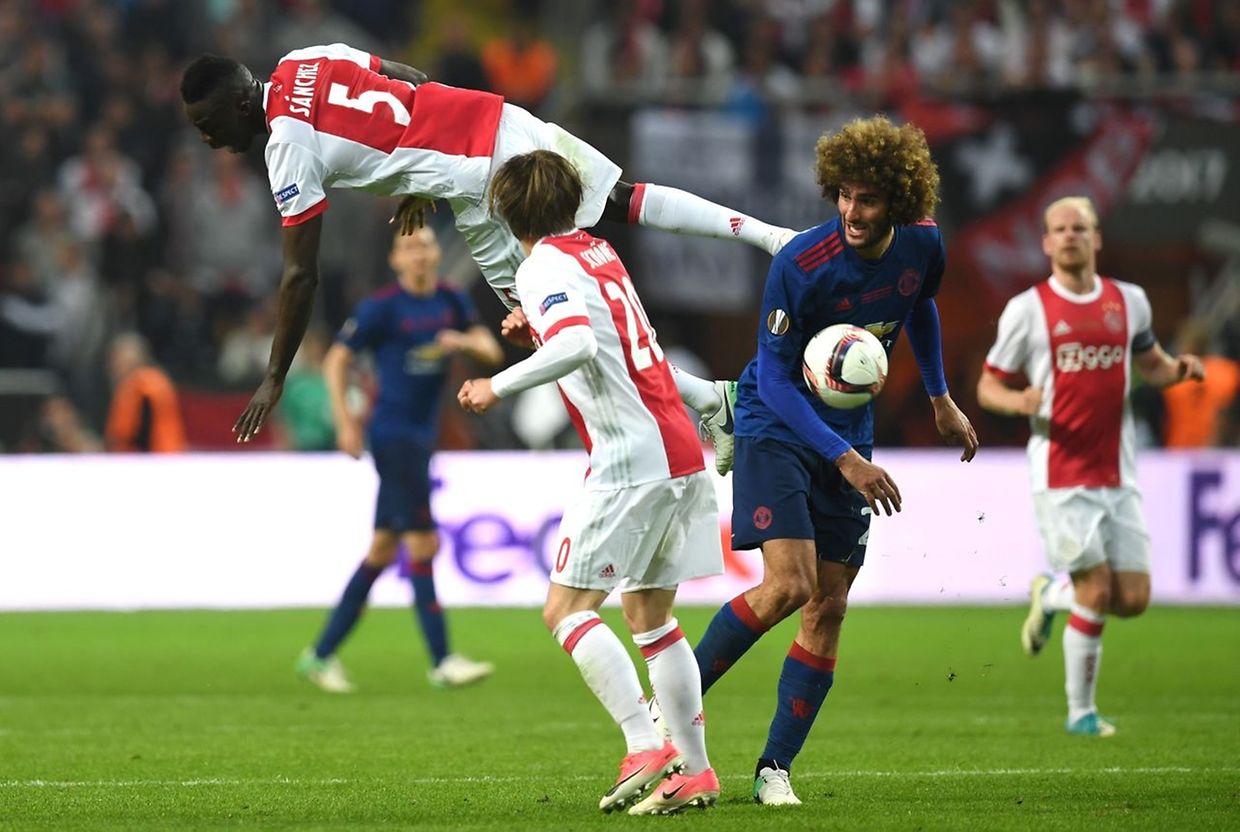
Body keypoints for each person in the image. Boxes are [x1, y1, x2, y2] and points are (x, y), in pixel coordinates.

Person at [178, 44, 789, 454]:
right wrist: (410, 174)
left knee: (555, 322)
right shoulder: (302, 58)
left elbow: (300, 277)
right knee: (621, 198)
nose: (209, 140)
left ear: (239, 105)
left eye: (209, 125)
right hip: (492, 118)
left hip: (479, 184)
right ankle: (771, 238)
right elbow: (408, 81)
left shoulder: (284, 146)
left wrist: (274, 377)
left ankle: (705, 403)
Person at [684, 115, 979, 806]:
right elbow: (780, 380)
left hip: (849, 431)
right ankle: (666, 712)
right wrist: (846, 460)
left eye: (867, 200)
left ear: (898, 203)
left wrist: (939, 396)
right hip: (775, 424)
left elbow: (921, 304)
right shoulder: (803, 264)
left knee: (830, 605)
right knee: (789, 585)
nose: (850, 210)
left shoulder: (923, 244)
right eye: (843, 195)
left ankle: (773, 769)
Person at [457, 150, 723, 816]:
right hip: (676, 447)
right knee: (651, 618)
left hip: (631, 458)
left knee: (567, 611)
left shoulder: (541, 264)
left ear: (505, 213)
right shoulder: (597, 251)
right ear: (573, 203)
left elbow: (576, 345)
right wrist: (539, 335)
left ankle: (645, 745)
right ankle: (694, 771)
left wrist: (498, 383)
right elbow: (600, 339)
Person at [977, 196, 1205, 737]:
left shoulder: (1130, 302)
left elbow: (1150, 364)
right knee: (1097, 587)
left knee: (1134, 598)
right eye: (1060, 228)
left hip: (1119, 471)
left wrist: (1179, 370)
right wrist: (1018, 402)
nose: (1071, 235)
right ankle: (1081, 714)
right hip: (1060, 474)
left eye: (1081, 227)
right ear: (1047, 243)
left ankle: (1051, 595)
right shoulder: (1027, 310)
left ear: (1097, 237)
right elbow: (989, 385)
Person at [295, 225, 502, 692]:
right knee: (423, 546)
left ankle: (319, 654)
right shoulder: (382, 308)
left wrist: (462, 342)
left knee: (382, 551)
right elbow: (335, 360)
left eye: (426, 246)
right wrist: (346, 421)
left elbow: (490, 349)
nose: (420, 254)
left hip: (422, 438)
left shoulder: (450, 300)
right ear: (396, 259)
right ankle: (442, 659)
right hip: (392, 435)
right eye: (410, 247)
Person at [105, 332, 189, 453]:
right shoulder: (155, 379)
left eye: (116, 359)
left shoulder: (142, 385)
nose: (112, 366)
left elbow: (125, 433)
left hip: (152, 460)